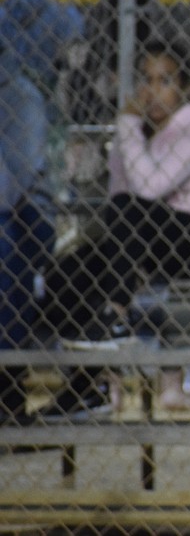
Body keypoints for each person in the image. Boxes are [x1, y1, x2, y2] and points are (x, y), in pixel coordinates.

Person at [41, 40, 190, 417]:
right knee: (64, 275)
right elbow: (121, 199)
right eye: (146, 80)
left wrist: (128, 125)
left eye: (165, 80)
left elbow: (146, 192)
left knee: (128, 211)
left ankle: (116, 318)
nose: (152, 91)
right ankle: (88, 388)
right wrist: (129, 134)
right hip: (145, 243)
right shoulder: (136, 132)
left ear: (184, 88)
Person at [0, 33, 55, 426]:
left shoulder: (21, 97)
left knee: (3, 239)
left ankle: (7, 380)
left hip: (26, 219)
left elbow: (10, 190)